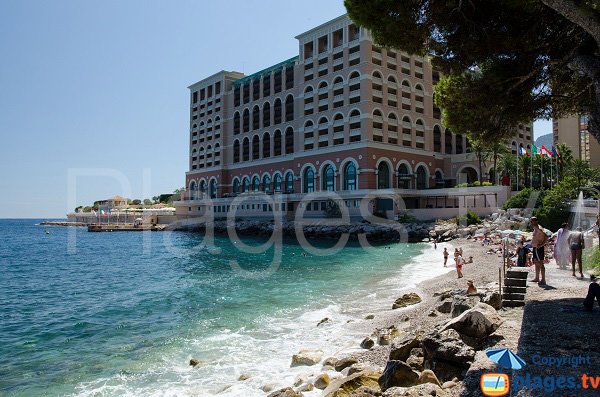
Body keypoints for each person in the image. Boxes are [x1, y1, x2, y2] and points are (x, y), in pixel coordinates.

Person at [530, 217, 548, 284]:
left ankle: (543, 279)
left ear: (536, 221)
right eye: (531, 221)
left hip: (538, 248)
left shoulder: (539, 228)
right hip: (535, 248)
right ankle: (537, 278)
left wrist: (541, 245)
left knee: (540, 263)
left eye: (533, 221)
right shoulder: (535, 228)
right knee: (536, 263)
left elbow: (546, 237)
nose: (531, 222)